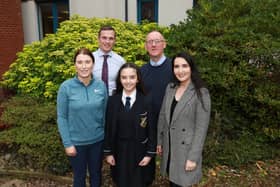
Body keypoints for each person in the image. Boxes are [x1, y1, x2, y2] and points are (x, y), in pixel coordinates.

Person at [157, 52, 211, 187]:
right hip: (170, 147)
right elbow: (163, 116)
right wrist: (159, 141)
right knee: (172, 181)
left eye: (184, 66)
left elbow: (201, 129)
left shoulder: (201, 92)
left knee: (182, 183)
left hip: (185, 151)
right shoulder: (170, 88)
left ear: (191, 68)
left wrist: (193, 157)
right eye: (176, 66)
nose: (180, 71)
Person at [57, 48, 108, 187]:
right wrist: (67, 143)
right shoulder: (66, 87)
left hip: (97, 141)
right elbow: (62, 117)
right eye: (80, 62)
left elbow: (105, 114)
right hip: (76, 144)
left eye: (87, 62)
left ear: (93, 64)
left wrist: (106, 140)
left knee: (96, 175)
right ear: (75, 65)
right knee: (79, 178)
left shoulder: (101, 85)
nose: (84, 66)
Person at [104, 63, 156, 187]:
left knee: (140, 182)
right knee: (121, 181)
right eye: (124, 77)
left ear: (138, 79)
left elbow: (152, 129)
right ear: (119, 79)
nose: (128, 81)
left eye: (132, 77)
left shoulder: (147, 100)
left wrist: (149, 154)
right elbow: (108, 128)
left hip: (140, 151)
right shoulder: (112, 101)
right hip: (119, 152)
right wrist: (108, 152)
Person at [140, 30, 173, 184]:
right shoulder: (141, 71)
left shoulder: (175, 68)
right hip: (147, 124)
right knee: (147, 170)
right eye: (149, 42)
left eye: (157, 41)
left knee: (174, 166)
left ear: (164, 44)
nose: (153, 44)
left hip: (170, 124)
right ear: (146, 46)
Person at [93, 25, 125, 96]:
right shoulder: (90, 59)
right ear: (98, 39)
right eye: (104, 38)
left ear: (114, 41)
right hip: (94, 100)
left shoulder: (120, 61)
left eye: (111, 38)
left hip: (114, 100)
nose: (107, 41)